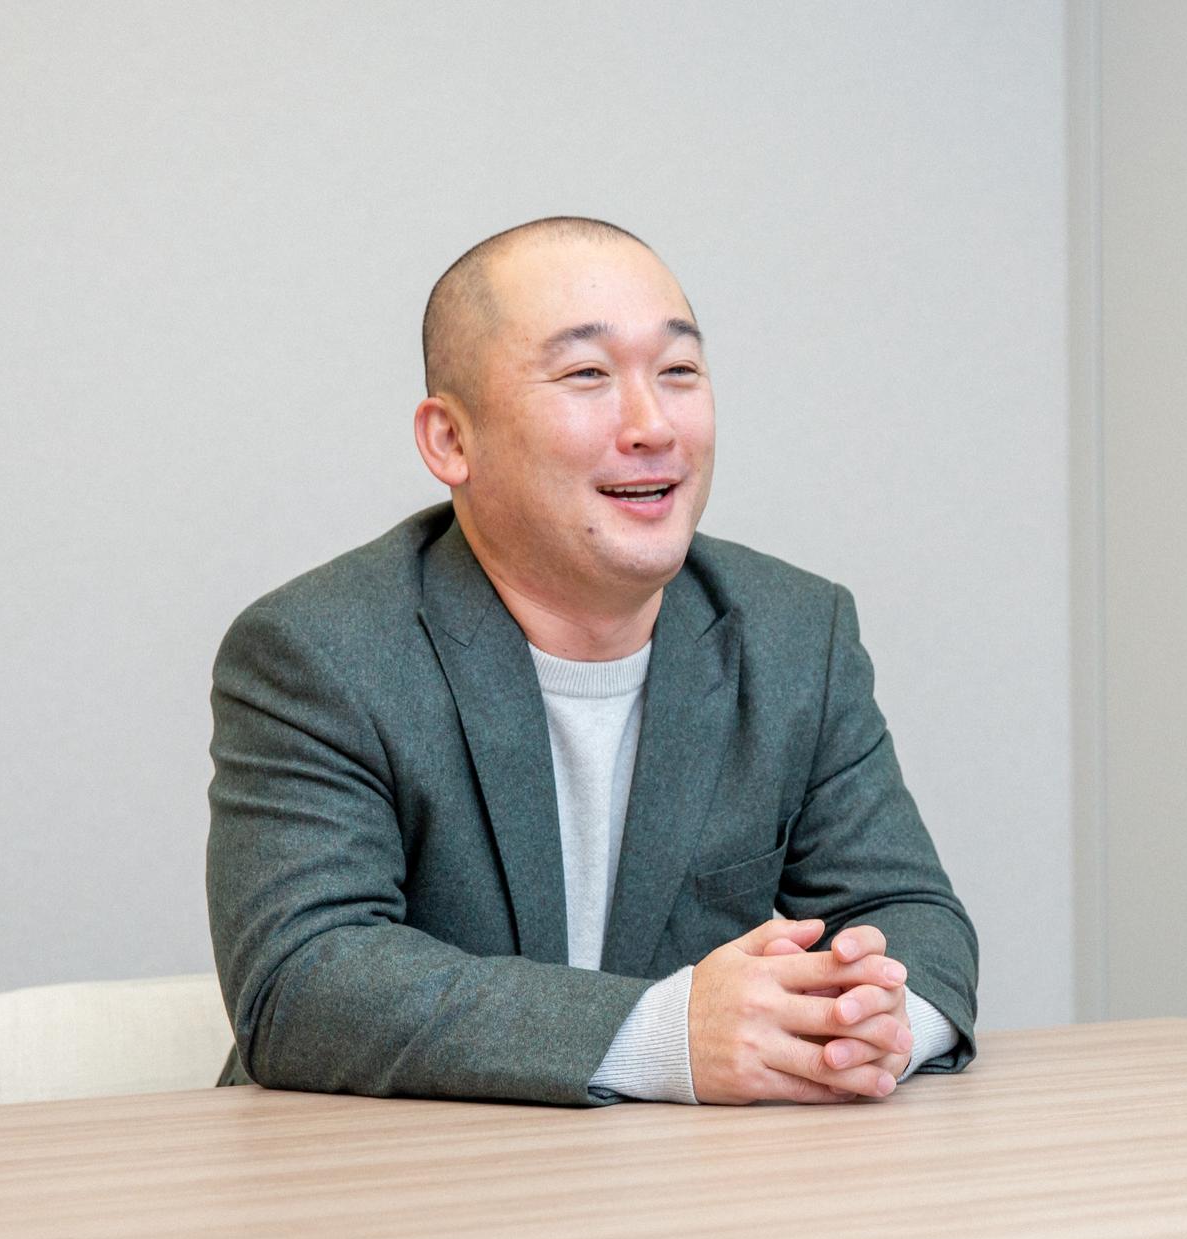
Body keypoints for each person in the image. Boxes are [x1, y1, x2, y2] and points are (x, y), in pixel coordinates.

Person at [205, 217, 978, 1106]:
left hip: (684, 1173)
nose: (653, 425)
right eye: (586, 375)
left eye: (678, 371)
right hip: (390, 1170)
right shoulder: (321, 651)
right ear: (450, 440)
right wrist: (664, 1037)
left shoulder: (795, 633)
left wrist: (869, 1030)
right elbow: (301, 981)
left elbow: (913, 918)